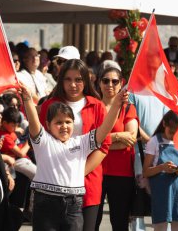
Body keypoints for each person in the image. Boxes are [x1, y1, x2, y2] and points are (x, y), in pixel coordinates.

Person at [20, 81, 128, 231]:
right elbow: (33, 122)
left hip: (74, 206)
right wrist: (27, 99)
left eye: (68, 122)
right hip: (46, 205)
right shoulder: (43, 141)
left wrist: (116, 104)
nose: (64, 126)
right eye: (58, 122)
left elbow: (105, 129)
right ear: (48, 124)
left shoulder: (82, 142)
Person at [39, 59, 111, 231]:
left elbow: (103, 146)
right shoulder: (49, 105)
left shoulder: (97, 106)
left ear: (86, 81)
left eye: (78, 79)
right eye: (68, 79)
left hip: (89, 181)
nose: (73, 84)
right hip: (55, 182)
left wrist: (80, 172)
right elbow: (40, 141)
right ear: (61, 80)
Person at [95, 67, 139, 231]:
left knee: (120, 224)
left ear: (121, 84)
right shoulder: (93, 107)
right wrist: (117, 136)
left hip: (122, 174)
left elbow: (131, 139)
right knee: (91, 224)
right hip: (95, 172)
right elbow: (89, 140)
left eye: (115, 81)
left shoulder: (128, 108)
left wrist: (100, 141)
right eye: (105, 80)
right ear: (99, 83)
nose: (110, 84)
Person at [128, 93, 169, 231]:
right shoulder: (131, 91)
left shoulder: (165, 92)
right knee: (138, 202)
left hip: (161, 153)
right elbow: (129, 119)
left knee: (162, 202)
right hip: (137, 154)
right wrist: (149, 140)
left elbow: (169, 122)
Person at [143, 111, 178, 231]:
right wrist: (162, 167)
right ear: (164, 124)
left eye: (176, 133)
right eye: (171, 132)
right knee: (160, 226)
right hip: (161, 192)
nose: (173, 136)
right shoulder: (154, 141)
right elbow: (146, 171)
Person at [0, 107, 36, 180]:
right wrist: (29, 142)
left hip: (21, 154)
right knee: (37, 175)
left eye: (16, 125)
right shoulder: (5, 137)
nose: (15, 128)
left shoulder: (8, 129)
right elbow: (21, 153)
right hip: (16, 159)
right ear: (4, 123)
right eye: (13, 125)